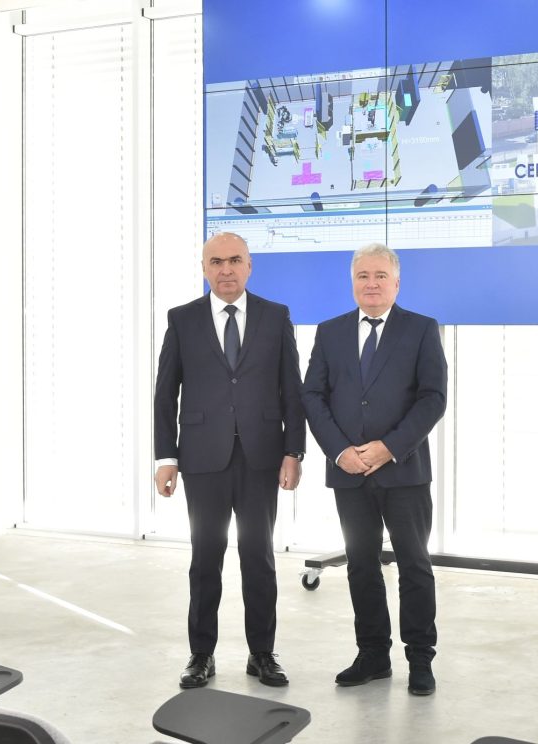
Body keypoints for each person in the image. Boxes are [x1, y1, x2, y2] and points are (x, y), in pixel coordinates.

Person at [154, 232, 306, 689]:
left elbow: (292, 389)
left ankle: (262, 653)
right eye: (216, 262)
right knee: (205, 559)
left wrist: (293, 451)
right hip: (202, 458)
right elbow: (165, 393)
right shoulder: (182, 319)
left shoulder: (275, 316)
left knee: (259, 557)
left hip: (262, 456)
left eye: (235, 260)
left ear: (249, 266)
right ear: (204, 268)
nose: (226, 270)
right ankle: (201, 654)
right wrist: (166, 457)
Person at [301, 243, 447, 696]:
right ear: (352, 282)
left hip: (404, 470)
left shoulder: (421, 329)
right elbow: (313, 397)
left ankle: (419, 659)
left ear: (396, 283)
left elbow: (433, 398)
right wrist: (339, 452)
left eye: (380, 275)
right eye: (363, 275)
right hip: (348, 471)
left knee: (414, 566)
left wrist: (389, 447)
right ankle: (373, 656)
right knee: (361, 566)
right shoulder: (330, 332)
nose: (371, 283)